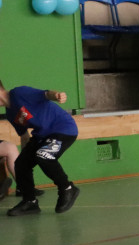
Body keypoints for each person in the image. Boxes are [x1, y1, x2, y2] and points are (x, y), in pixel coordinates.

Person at [0, 79, 81, 216]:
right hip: (41, 135)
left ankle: (67, 188)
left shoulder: (19, 93)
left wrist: (57, 95)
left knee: (44, 155)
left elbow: (46, 94)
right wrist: (25, 158)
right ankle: (30, 202)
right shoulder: (10, 113)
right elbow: (24, 136)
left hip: (62, 129)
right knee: (20, 163)